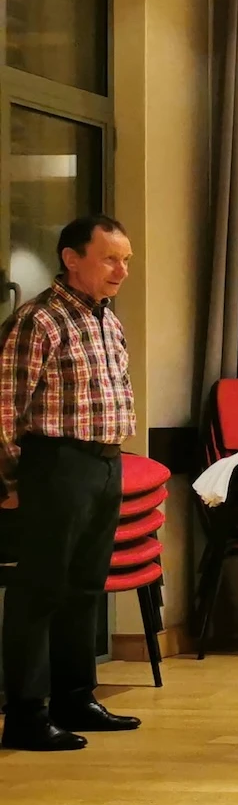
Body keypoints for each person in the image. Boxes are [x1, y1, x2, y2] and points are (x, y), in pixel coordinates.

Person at [0, 215, 140, 752]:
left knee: (84, 587)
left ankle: (75, 697)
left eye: (126, 259)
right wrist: (13, 480)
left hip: (104, 462)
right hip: (54, 464)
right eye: (110, 258)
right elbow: (4, 408)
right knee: (41, 590)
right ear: (71, 257)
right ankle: (27, 714)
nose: (121, 270)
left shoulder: (107, 320)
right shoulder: (38, 320)